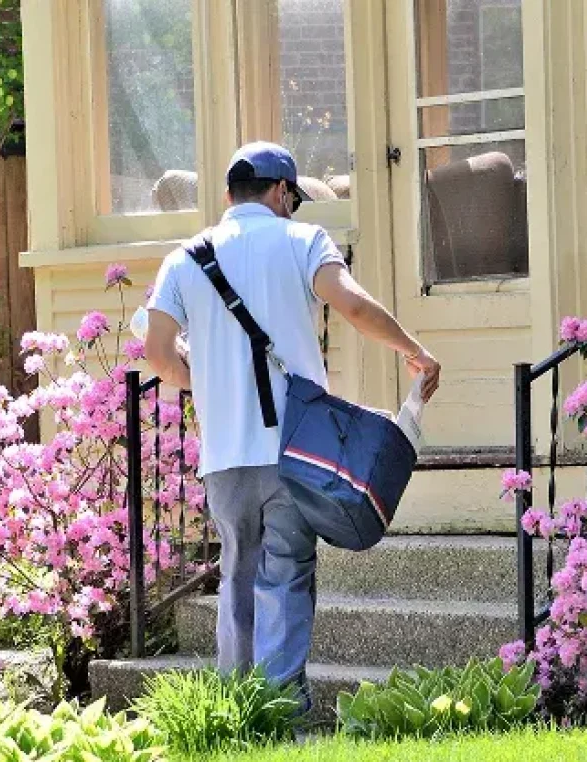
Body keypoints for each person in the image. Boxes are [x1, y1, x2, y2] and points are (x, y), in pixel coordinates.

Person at [143, 141, 441, 711]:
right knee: (285, 576)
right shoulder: (304, 241)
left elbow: (158, 355)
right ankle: (280, 712)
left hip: (225, 454)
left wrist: (202, 376)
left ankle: (236, 710)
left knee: (236, 577)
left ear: (230, 194)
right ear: (280, 191)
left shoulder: (184, 258)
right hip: (294, 451)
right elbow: (350, 305)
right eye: (292, 198)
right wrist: (414, 350)